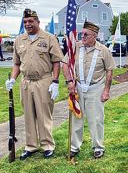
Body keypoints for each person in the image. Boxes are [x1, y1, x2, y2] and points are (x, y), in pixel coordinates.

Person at [5, 8, 63, 160]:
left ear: (38, 21)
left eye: (31, 21)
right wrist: (12, 79)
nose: (28, 24)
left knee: (44, 115)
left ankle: (47, 145)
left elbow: (56, 61)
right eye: (25, 22)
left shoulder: (49, 38)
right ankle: (30, 146)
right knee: (28, 115)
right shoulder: (19, 40)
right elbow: (17, 64)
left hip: (43, 81)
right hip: (26, 82)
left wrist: (55, 81)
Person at [62, 21, 115, 159]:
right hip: (78, 87)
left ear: (95, 36)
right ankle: (74, 146)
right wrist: (69, 82)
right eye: (81, 33)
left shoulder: (104, 50)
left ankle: (98, 147)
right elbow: (65, 64)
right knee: (76, 117)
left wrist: (106, 91)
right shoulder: (75, 47)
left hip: (95, 87)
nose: (82, 37)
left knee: (96, 119)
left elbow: (109, 71)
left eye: (86, 34)